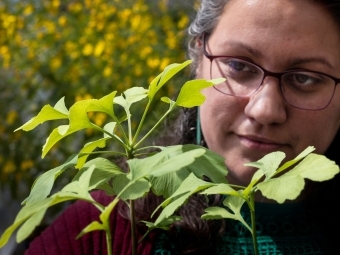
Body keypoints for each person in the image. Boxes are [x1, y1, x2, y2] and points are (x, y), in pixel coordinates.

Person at [24, 0, 340, 254]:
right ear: (198, 58)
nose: (265, 110)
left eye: (306, 78)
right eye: (239, 66)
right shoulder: (109, 226)